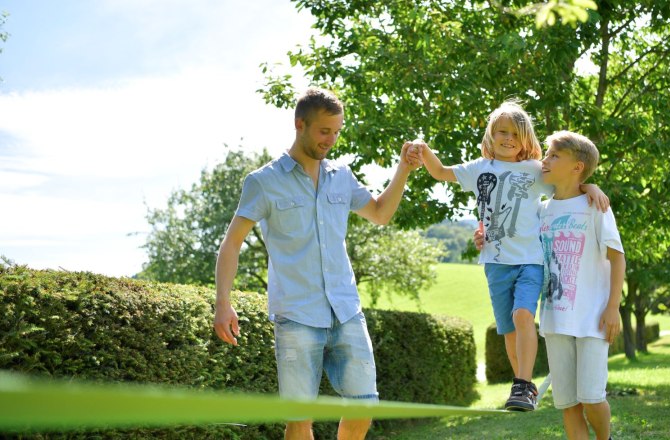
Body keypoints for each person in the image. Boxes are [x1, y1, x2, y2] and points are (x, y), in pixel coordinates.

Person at [213, 87, 419, 440]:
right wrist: (223, 303)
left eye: (337, 132)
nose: (331, 140)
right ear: (300, 124)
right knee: (299, 419)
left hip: (346, 310)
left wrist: (403, 168)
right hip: (296, 315)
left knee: (364, 404)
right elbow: (231, 244)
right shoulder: (263, 182)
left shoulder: (342, 176)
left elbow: (381, 213)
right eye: (325, 131)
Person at [406, 101, 608, 412]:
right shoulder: (478, 169)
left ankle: (524, 385)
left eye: (515, 133)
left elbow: (566, 182)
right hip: (494, 263)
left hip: (530, 260)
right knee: (509, 330)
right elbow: (440, 172)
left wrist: (590, 185)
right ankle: (521, 384)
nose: (508, 138)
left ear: (526, 139)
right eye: (501, 131)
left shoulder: (533, 170)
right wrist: (423, 148)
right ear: (491, 135)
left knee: (523, 316)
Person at [534, 130, 624, 440]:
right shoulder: (541, 210)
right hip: (555, 319)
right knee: (568, 404)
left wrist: (613, 307)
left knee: (591, 396)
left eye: (553, 155)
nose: (544, 160)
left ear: (577, 167)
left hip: (592, 318)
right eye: (546, 154)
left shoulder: (595, 206)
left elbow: (618, 257)